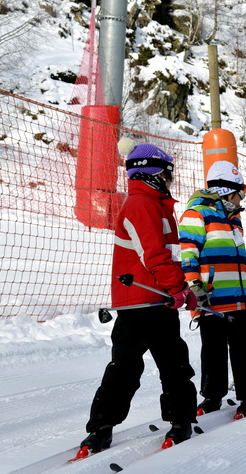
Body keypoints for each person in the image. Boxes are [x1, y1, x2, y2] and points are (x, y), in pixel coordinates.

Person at [79, 139, 198, 455]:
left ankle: (180, 421)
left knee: (171, 364)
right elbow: (154, 256)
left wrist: (180, 288)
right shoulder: (142, 205)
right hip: (141, 302)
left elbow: (167, 257)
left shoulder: (157, 206)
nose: (171, 180)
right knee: (126, 368)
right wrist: (178, 289)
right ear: (154, 173)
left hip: (156, 300)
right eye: (169, 173)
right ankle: (100, 429)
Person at [179, 161, 246, 419]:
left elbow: (241, 259)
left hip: (239, 299)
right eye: (241, 192)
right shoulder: (197, 214)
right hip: (211, 299)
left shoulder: (234, 219)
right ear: (227, 191)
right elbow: (188, 252)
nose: (242, 198)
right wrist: (194, 285)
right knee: (212, 350)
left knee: (244, 349)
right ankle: (212, 396)